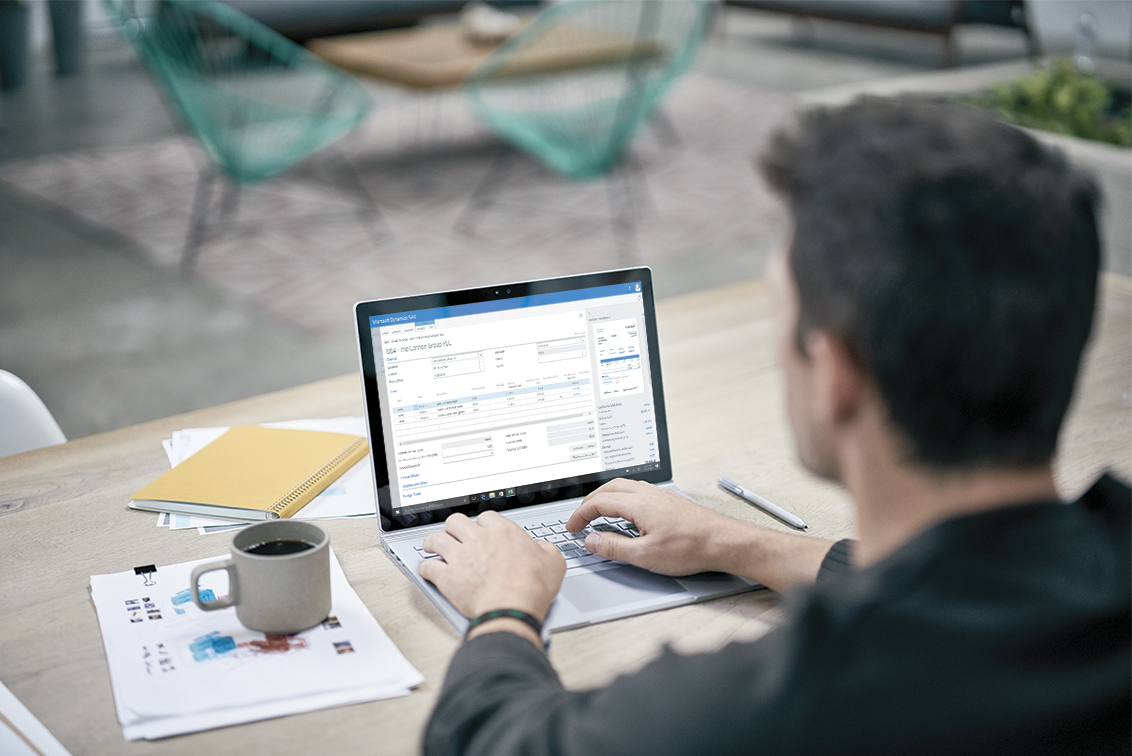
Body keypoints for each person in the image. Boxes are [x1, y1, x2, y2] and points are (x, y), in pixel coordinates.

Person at [418, 98, 1131, 755]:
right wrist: (739, 544)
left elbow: (492, 740)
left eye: (781, 312)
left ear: (836, 377)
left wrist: (505, 606)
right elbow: (974, 589)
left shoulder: (769, 710)